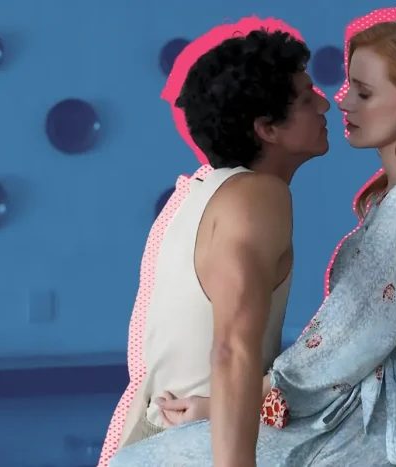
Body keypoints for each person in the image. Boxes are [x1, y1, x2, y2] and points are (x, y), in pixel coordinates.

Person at [108, 16, 396, 467]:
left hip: (372, 428)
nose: (338, 101)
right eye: (342, 89)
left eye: (363, 93)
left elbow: (347, 341)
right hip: (350, 413)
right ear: (266, 128)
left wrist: (222, 406)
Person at [106, 27, 330, 460]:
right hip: (190, 443)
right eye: (306, 99)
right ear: (267, 128)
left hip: (164, 437)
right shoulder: (257, 195)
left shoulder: (203, 192)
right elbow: (232, 350)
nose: (324, 104)